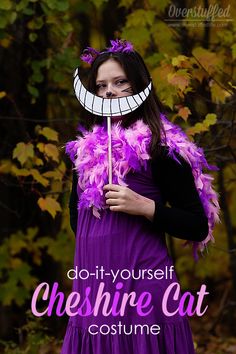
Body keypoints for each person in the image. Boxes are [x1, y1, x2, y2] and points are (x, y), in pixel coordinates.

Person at [62, 39, 219, 354]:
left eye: (121, 82)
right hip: (93, 289)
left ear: (139, 87)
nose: (110, 91)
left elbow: (197, 226)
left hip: (143, 289)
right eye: (101, 85)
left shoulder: (160, 148)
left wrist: (145, 206)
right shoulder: (84, 153)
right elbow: (76, 222)